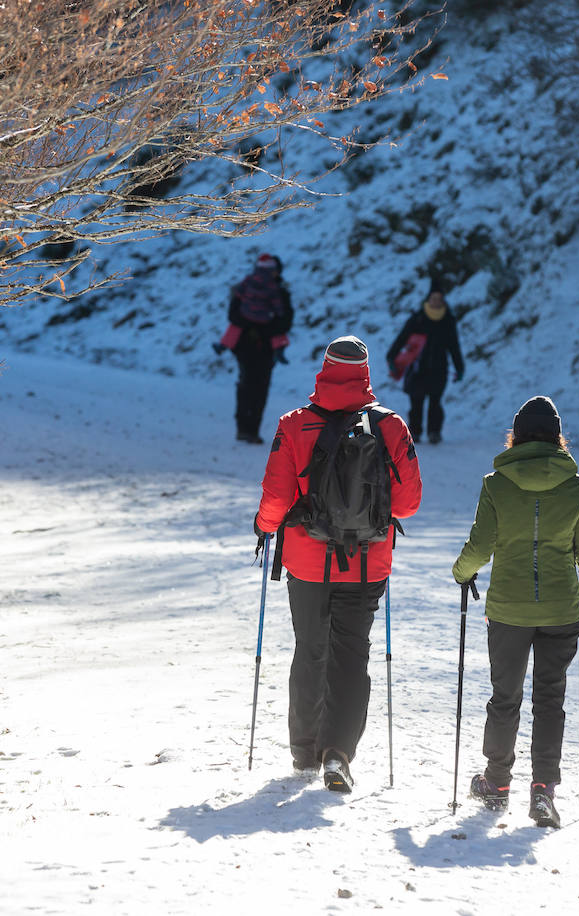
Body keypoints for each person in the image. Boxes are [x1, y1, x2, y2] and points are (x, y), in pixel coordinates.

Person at [253, 335, 422, 793]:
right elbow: (407, 505)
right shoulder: (391, 427)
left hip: (306, 562)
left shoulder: (295, 424)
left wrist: (265, 526)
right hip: (368, 563)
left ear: (323, 369)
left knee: (310, 649)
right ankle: (338, 755)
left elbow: (276, 496)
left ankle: (304, 751)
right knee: (351, 655)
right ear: (366, 373)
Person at [451, 396, 579, 829]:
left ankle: (497, 782)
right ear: (559, 437)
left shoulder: (496, 484)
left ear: (514, 436)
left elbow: (480, 547)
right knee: (550, 697)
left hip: (508, 611)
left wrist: (461, 572)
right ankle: (542, 792)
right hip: (561, 610)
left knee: (505, 697)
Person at [217, 253, 293, 444]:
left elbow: (233, 315)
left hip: (243, 344)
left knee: (245, 384)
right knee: (260, 387)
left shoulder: (245, 287)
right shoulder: (279, 292)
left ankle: (244, 427)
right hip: (266, 346)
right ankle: (251, 429)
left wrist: (251, 325)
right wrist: (266, 327)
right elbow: (285, 320)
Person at [385, 287, 465, 444]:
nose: (436, 302)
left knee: (435, 401)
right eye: (433, 298)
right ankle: (415, 431)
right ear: (427, 300)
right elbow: (402, 338)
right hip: (417, 367)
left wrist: (459, 368)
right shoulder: (418, 318)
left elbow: (454, 346)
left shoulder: (448, 320)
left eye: (439, 299)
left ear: (443, 302)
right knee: (416, 401)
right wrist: (391, 358)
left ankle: (434, 432)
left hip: (439, 368)